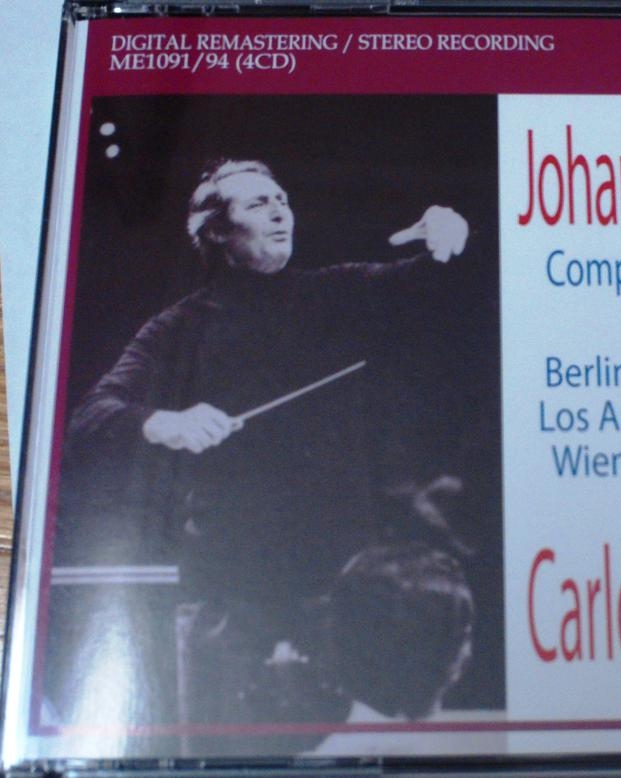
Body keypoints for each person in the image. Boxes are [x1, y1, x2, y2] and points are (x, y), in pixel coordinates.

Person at [53, 159, 478, 747]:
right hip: (230, 597)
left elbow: (428, 286)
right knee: (225, 750)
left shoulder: (333, 293)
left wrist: (447, 240)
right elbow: (91, 417)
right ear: (216, 232)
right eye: (257, 203)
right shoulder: (177, 328)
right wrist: (164, 422)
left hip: (337, 593)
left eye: (282, 199)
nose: (280, 211)